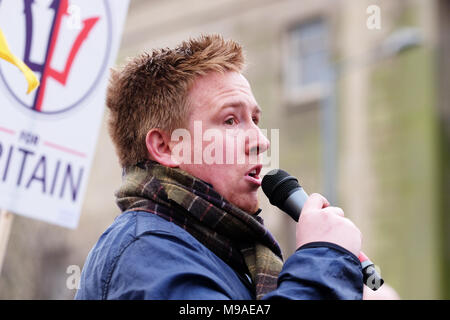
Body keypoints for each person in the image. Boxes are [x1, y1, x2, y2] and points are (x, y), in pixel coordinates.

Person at [75, 34, 364, 300]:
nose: (261, 141)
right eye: (230, 120)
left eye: (255, 119)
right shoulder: (144, 252)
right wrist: (326, 260)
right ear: (165, 147)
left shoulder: (215, 253)